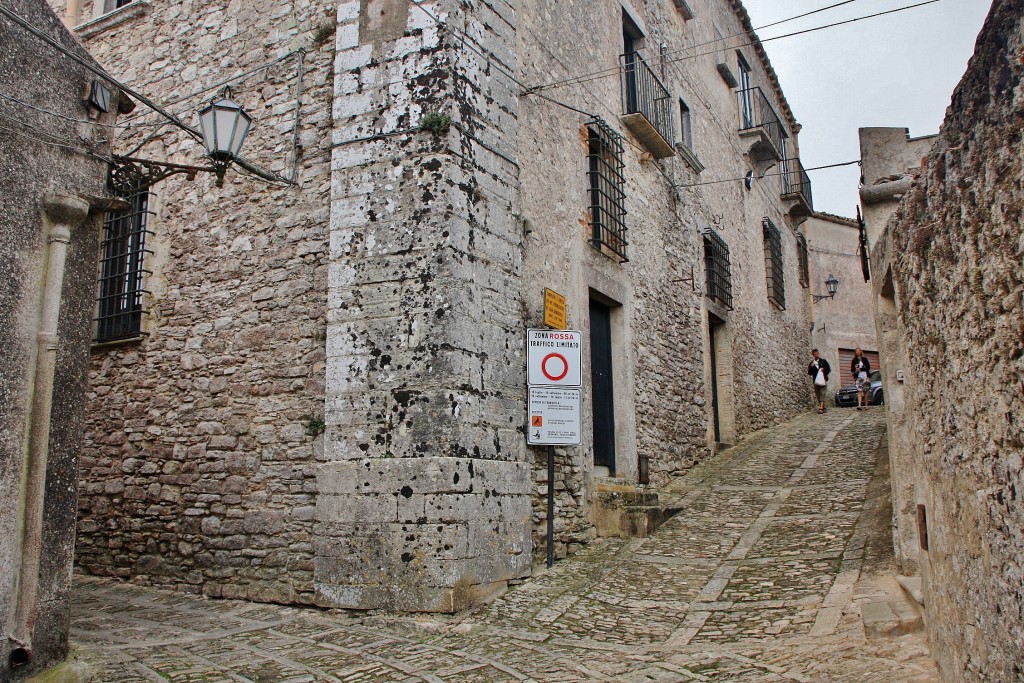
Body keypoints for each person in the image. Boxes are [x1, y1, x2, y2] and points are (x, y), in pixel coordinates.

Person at [808, 349, 831, 414]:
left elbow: (829, 369)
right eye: (815, 354)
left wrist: (823, 369)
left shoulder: (823, 361)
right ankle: (823, 407)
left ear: (819, 353)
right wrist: (811, 367)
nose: (816, 355)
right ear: (813, 355)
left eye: (817, 354)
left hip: (823, 379)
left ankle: (821, 408)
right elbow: (809, 373)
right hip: (816, 381)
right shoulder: (811, 363)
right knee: (818, 394)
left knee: (822, 393)